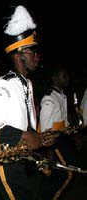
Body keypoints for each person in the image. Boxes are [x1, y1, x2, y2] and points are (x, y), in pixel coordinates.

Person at [0, 5, 43, 200]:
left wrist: (37, 135)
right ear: (19, 55)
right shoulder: (4, 84)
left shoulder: (27, 83)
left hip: (19, 157)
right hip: (4, 160)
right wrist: (25, 135)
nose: (37, 56)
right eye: (32, 51)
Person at [38, 64, 77, 200]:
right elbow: (45, 129)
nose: (67, 78)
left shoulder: (61, 95)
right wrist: (49, 152)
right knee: (67, 175)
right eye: (63, 76)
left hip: (62, 140)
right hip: (55, 143)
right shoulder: (50, 98)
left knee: (54, 178)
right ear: (55, 78)